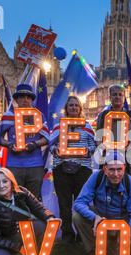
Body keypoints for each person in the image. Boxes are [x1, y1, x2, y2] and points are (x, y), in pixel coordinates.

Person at [73, 151, 131, 255]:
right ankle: (93, 250)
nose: (116, 174)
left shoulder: (130, 182)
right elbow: (78, 203)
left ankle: (111, 245)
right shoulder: (96, 177)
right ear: (104, 169)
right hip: (100, 222)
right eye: (111, 170)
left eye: (119, 169)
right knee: (77, 217)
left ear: (124, 168)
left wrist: (128, 231)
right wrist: (95, 217)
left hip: (120, 223)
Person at [51, 96, 96, 242]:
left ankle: (82, 234)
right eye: (71, 105)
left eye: (76, 105)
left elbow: (94, 146)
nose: (74, 108)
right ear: (66, 108)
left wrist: (88, 151)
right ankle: (67, 234)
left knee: (81, 203)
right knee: (64, 204)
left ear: (80, 109)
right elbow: (50, 145)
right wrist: (55, 149)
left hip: (82, 169)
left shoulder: (87, 126)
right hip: (61, 169)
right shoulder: (58, 126)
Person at [0, 84, 49, 199]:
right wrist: (10, 144)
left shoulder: (39, 116)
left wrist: (35, 144)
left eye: (28, 97)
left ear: (32, 99)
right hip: (13, 164)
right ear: (16, 99)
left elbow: (46, 138)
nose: (25, 100)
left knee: (33, 199)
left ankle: (30, 218)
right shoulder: (8, 116)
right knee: (15, 198)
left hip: (35, 165)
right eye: (22, 97)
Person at [95, 84, 131, 176]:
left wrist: (130, 147)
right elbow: (98, 137)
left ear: (124, 97)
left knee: (127, 186)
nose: (117, 97)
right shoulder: (102, 116)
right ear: (110, 97)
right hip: (107, 158)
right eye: (114, 94)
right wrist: (103, 148)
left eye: (120, 95)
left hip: (128, 159)